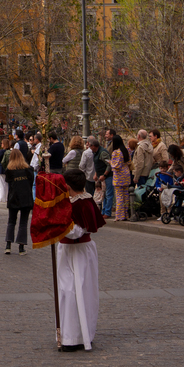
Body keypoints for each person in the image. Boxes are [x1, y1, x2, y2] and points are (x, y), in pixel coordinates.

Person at [57, 169, 106, 352]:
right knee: (69, 291)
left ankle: (76, 337)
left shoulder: (81, 203)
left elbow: (77, 231)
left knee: (74, 291)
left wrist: (56, 222)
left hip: (77, 251)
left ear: (67, 186)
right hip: (71, 250)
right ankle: (72, 334)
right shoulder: (80, 200)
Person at [3, 145, 34, 255]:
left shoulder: (9, 171)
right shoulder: (28, 170)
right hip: (25, 198)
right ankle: (21, 247)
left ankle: (8, 245)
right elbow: (30, 183)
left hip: (13, 198)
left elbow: (9, 184)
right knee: (23, 223)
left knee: (11, 221)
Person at [109, 134, 132, 221]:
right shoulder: (126, 150)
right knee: (126, 195)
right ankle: (126, 214)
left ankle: (119, 215)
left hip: (118, 176)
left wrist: (110, 162)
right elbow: (129, 162)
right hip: (126, 174)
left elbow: (116, 165)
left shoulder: (116, 152)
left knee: (119, 196)